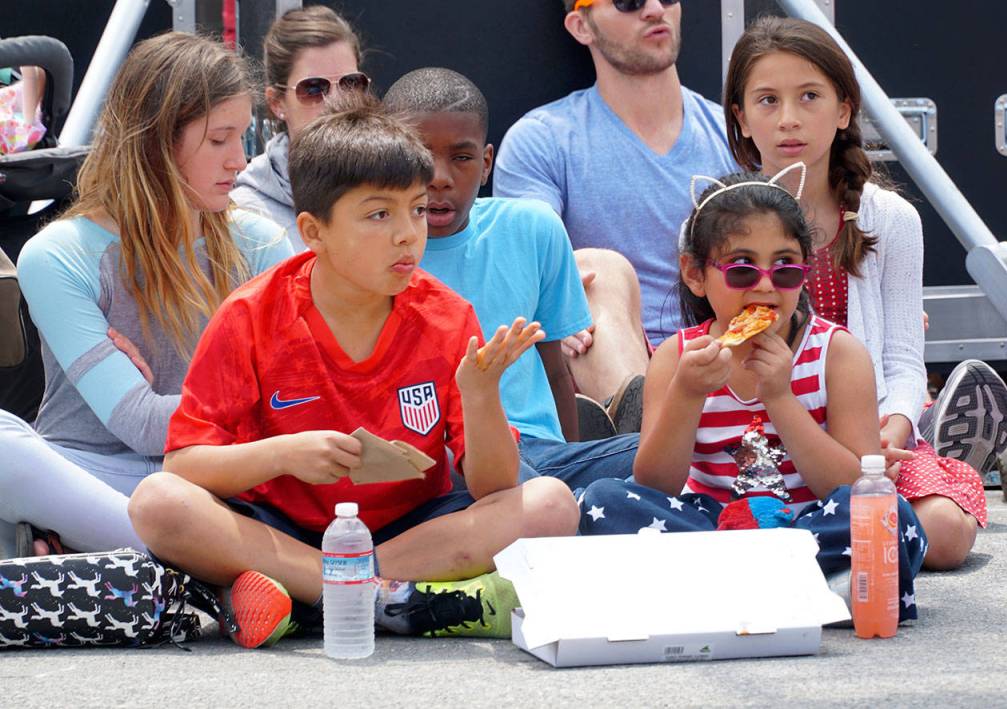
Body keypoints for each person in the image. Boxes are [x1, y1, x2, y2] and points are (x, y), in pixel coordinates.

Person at [127, 104, 581, 649]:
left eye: (415, 210)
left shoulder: (447, 315)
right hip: (284, 531)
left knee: (551, 502)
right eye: (378, 215)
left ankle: (314, 595)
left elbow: (493, 488)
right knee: (157, 502)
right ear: (313, 231)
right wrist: (284, 454)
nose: (407, 235)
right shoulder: (251, 314)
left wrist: (480, 396)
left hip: (412, 533)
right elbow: (185, 464)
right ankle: (394, 600)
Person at [723, 16, 1007, 569]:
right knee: (755, 528)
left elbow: (904, 357)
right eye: (766, 100)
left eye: (809, 96)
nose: (788, 119)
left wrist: (893, 427)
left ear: (844, 110)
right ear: (740, 117)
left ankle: (930, 438)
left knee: (944, 536)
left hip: (869, 428)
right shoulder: (719, 219)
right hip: (762, 432)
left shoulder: (892, 219)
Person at [577, 169, 927, 622]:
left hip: (809, 523)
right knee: (604, 499)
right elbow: (655, 483)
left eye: (785, 269)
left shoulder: (836, 353)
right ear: (695, 274)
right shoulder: (677, 357)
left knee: (888, 515)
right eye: (742, 269)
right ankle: (806, 592)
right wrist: (686, 395)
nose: (765, 286)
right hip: (714, 527)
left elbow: (853, 486)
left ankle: (718, 593)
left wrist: (781, 399)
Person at [0, 33, 294, 560]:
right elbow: (137, 425)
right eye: (219, 139)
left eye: (243, 137)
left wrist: (178, 407)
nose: (240, 161)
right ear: (155, 142)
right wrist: (232, 403)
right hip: (96, 478)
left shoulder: (262, 239)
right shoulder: (57, 254)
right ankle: (223, 561)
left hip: (218, 476)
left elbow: (289, 402)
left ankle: (163, 558)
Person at [382, 67, 638, 486]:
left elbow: (556, 370)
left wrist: (571, 470)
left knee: (650, 458)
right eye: (420, 157)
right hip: (435, 459)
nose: (440, 178)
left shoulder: (533, 228)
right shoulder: (371, 251)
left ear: (486, 164)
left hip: (539, 452)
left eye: (461, 158)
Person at [494, 0, 737, 406]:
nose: (655, 9)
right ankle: (643, 431)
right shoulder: (542, 139)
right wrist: (554, 299)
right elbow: (524, 267)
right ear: (580, 26)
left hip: (726, 346)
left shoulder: (732, 135)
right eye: (629, 1)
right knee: (590, 269)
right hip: (606, 361)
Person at [231, 5, 371, 251]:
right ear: (276, 102)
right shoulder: (245, 212)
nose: (337, 102)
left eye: (350, 83)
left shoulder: (397, 185)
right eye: (314, 88)